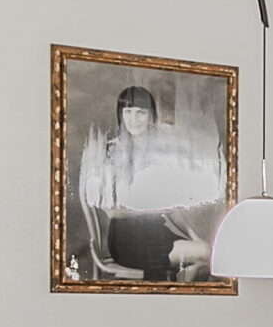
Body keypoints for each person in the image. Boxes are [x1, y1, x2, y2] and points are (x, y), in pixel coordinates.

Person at [76, 84, 223, 281]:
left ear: (150, 115)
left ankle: (175, 293)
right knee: (205, 256)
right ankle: (175, 292)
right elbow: (111, 210)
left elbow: (172, 208)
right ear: (120, 114)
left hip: (157, 234)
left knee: (206, 255)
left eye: (140, 113)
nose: (134, 119)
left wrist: (193, 236)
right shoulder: (110, 151)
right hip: (127, 240)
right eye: (128, 112)